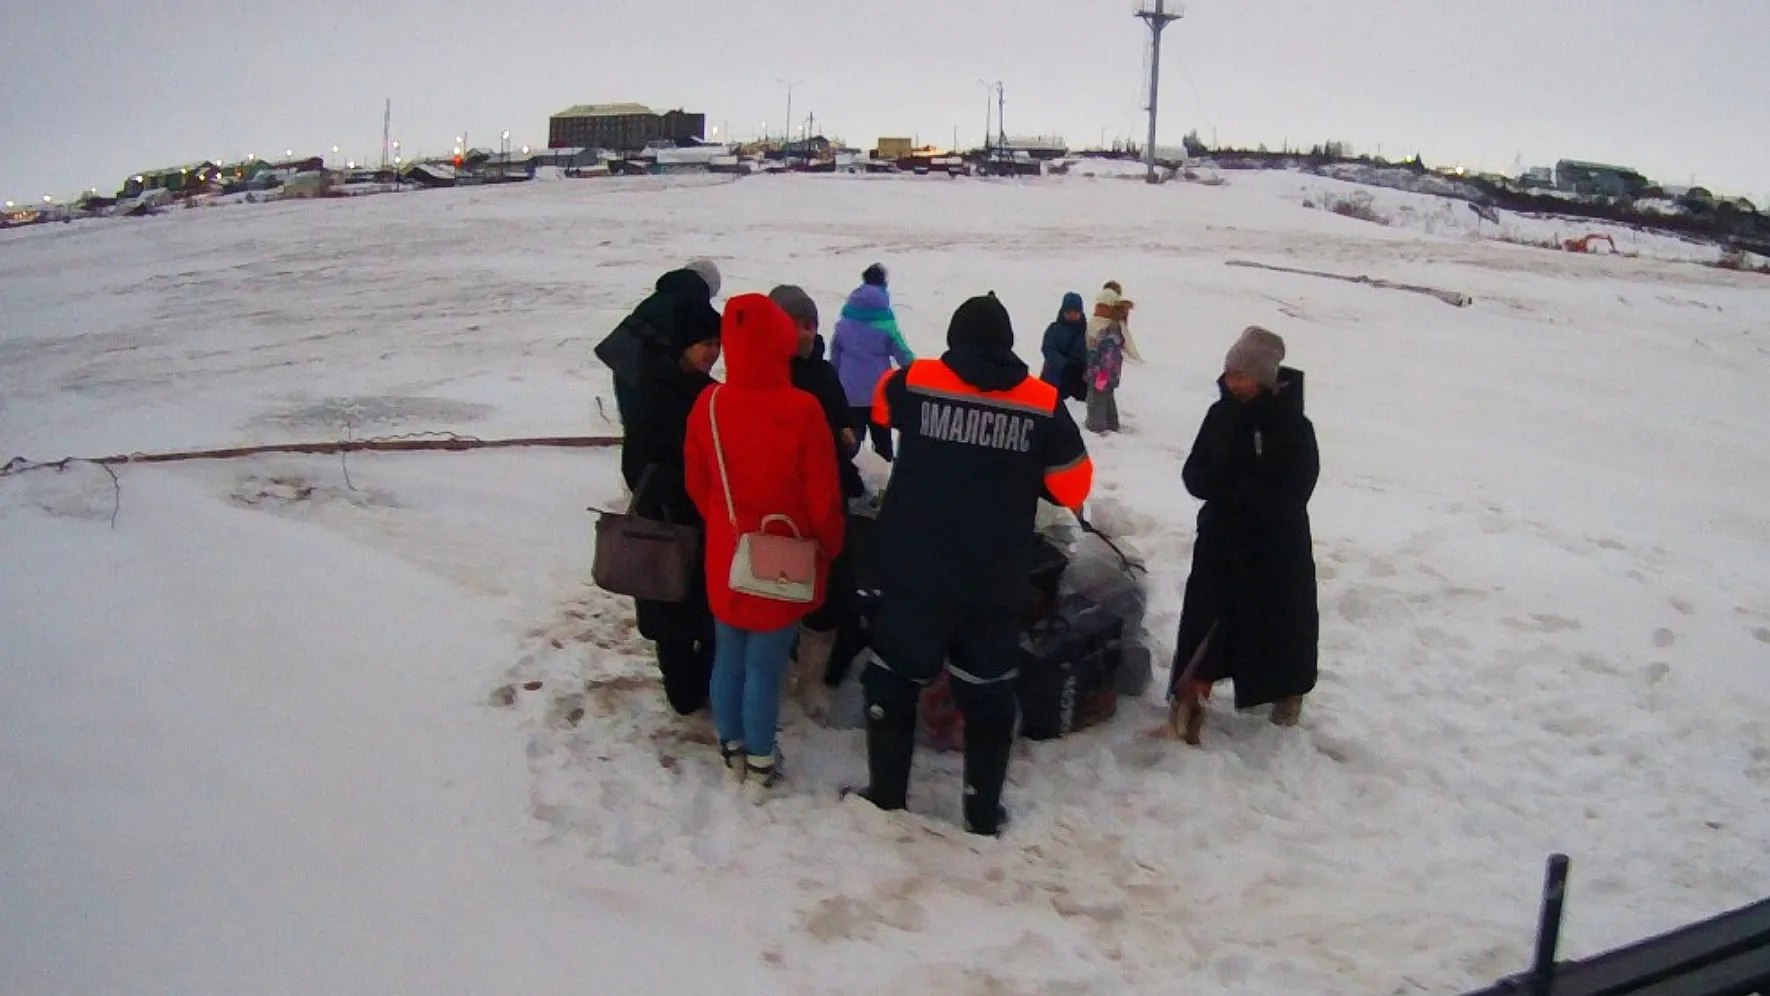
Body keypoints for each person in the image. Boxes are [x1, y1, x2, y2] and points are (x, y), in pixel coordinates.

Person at [845, 292, 1094, 836]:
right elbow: (1074, 483)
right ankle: (982, 814)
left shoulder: (917, 381)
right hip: (993, 580)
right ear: (1007, 342)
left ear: (955, 338)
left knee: (891, 684)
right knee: (987, 697)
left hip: (916, 572)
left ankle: (886, 796)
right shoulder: (1043, 402)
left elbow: (879, 404)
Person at [684, 294, 846, 795]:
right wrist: (830, 544)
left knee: (728, 655)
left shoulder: (708, 403)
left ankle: (731, 744)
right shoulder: (802, 410)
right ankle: (759, 758)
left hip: (725, 556)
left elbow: (698, 482)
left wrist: (726, 525)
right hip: (781, 560)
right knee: (765, 666)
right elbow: (822, 498)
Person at [1167, 326, 1320, 745]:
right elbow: (1194, 471)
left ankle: (1287, 690)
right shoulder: (1219, 416)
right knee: (1206, 619)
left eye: (1241, 375)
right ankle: (1190, 694)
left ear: (1265, 377)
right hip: (1221, 539)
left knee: (1280, 622)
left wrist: (1243, 490)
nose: (1231, 382)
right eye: (1229, 373)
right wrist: (1215, 485)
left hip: (1275, 547)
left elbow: (1297, 489)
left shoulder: (1293, 426)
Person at [620, 279, 724, 716]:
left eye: (717, 344)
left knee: (703, 614)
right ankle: (682, 688)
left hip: (702, 525)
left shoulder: (711, 394)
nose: (711, 352)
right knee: (670, 614)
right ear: (682, 342)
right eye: (704, 343)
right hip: (665, 523)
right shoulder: (654, 392)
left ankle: (697, 683)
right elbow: (634, 465)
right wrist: (680, 483)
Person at [770, 284, 865, 719]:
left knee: (833, 596)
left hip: (832, 495)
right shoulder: (766, 375)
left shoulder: (824, 373)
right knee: (778, 590)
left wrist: (847, 435)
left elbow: (846, 421)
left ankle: (813, 679)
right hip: (785, 502)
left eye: (811, 324)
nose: (807, 332)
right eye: (798, 324)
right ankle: (777, 672)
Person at [594, 259, 722, 429]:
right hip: (654, 370)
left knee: (638, 427)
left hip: (626, 362)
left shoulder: (662, 295)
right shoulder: (693, 301)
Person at [829, 263, 914, 463]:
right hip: (879, 394)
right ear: (884, 284)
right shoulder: (886, 322)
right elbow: (904, 356)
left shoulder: (845, 321)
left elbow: (835, 358)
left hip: (848, 394)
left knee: (850, 444)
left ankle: (848, 482)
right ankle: (883, 480)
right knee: (883, 444)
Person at [1084, 285, 1134, 433]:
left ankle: (1096, 425)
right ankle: (1111, 423)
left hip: (1102, 374)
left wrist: (1101, 377)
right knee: (1106, 398)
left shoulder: (1110, 329)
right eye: (1097, 306)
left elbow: (1108, 358)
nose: (1098, 309)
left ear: (1110, 309)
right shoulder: (1098, 324)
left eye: (1102, 307)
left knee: (1096, 400)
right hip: (1098, 372)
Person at [1038, 291, 1089, 402]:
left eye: (1075, 311)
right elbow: (1048, 350)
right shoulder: (1054, 329)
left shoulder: (1086, 331)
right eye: (1068, 311)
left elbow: (1090, 353)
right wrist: (1065, 364)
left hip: (1079, 378)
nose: (1072, 315)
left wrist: (1083, 365)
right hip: (1057, 375)